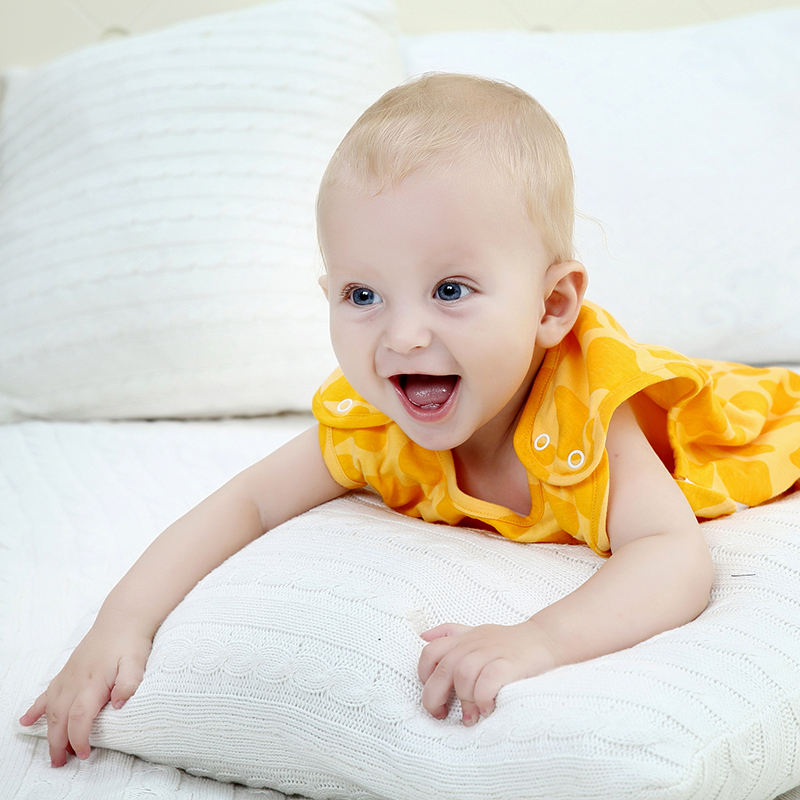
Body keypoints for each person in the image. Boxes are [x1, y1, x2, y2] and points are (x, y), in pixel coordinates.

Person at [21, 73, 800, 766]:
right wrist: (121, 624)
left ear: (551, 305)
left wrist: (539, 639)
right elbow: (246, 504)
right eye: (362, 295)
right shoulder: (372, 421)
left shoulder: (587, 409)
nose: (402, 336)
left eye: (451, 290)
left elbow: (673, 557)